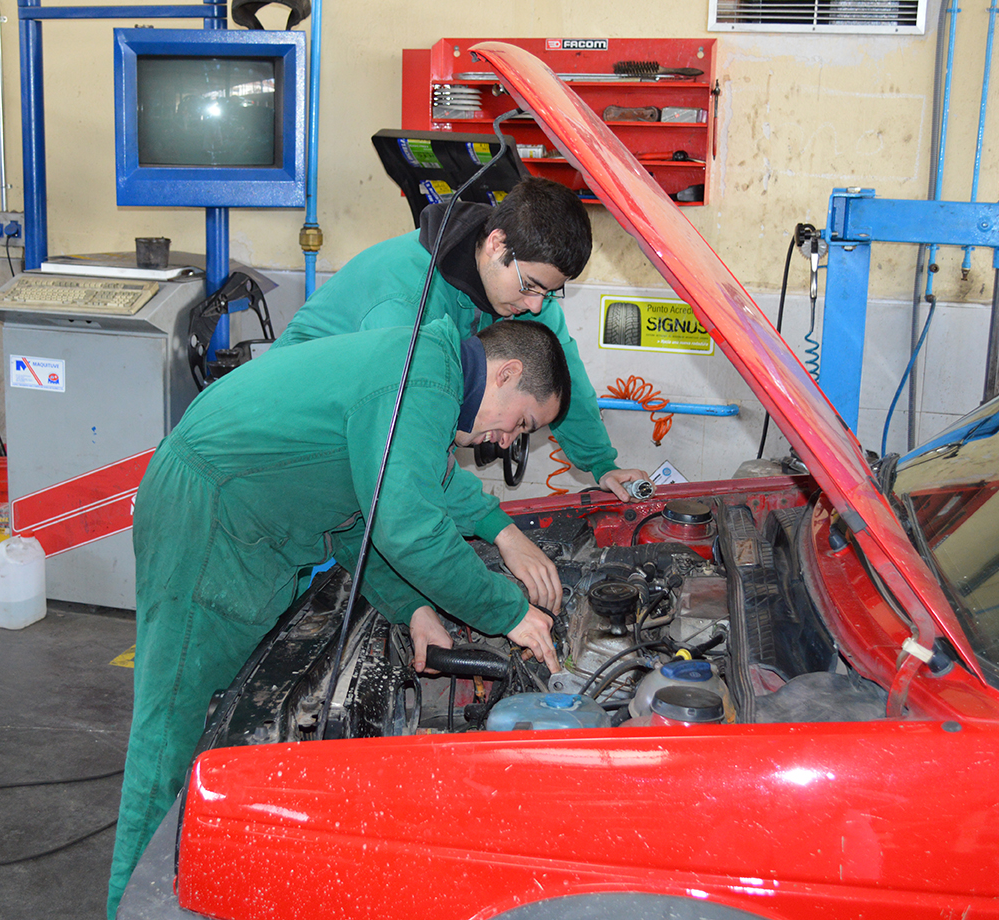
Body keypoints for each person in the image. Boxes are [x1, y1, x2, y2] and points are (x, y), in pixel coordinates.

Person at [106, 318, 571, 919]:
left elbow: (362, 513)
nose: (509, 442)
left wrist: (415, 610)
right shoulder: (422, 378)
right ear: (505, 373)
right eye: (523, 423)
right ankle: (129, 907)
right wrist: (509, 612)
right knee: (173, 736)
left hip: (256, 531)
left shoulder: (428, 374)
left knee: (232, 737)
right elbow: (406, 523)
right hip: (210, 522)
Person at [275, 177, 652, 513]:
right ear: (497, 243)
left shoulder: (520, 291)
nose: (537, 305)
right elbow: (405, 442)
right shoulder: (408, 300)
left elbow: (560, 378)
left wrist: (603, 465)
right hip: (292, 433)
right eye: (532, 286)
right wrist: (489, 526)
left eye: (551, 291)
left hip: (360, 431)